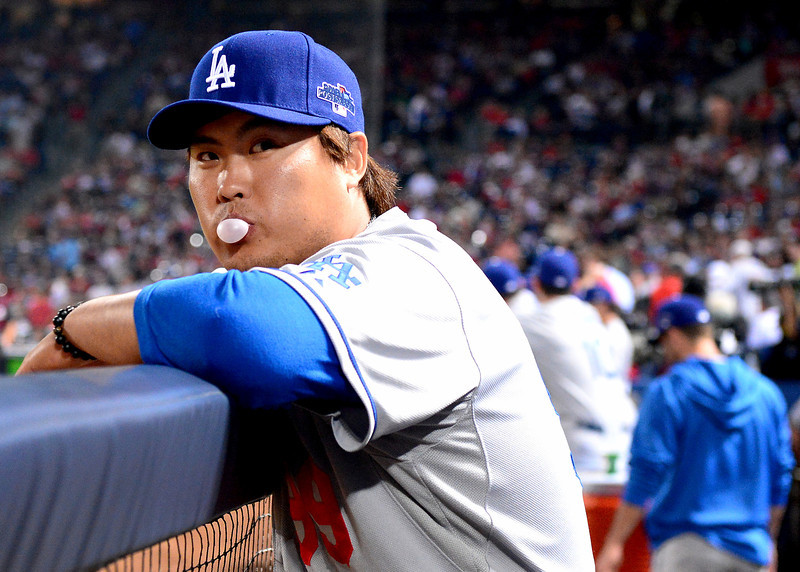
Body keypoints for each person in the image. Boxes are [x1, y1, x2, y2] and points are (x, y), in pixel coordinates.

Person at [16, 30, 594, 571]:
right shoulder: (312, 291)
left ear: (350, 159)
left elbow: (241, 327)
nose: (226, 184)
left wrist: (73, 327)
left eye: (263, 144)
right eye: (206, 156)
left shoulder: (413, 270)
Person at [596, 294, 794, 572]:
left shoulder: (668, 391)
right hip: (751, 548)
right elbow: (781, 474)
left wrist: (614, 543)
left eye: (664, 340)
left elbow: (647, 470)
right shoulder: (766, 393)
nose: (664, 350)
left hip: (686, 546)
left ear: (675, 336)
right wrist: (768, 539)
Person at [522, 246, 637, 483]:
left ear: (536, 283)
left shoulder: (537, 322)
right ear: (576, 284)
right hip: (625, 441)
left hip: (586, 449)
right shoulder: (591, 316)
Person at [583, 284, 635, 392]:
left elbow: (611, 370)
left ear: (602, 306)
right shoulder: (607, 327)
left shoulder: (615, 331)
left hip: (614, 392)